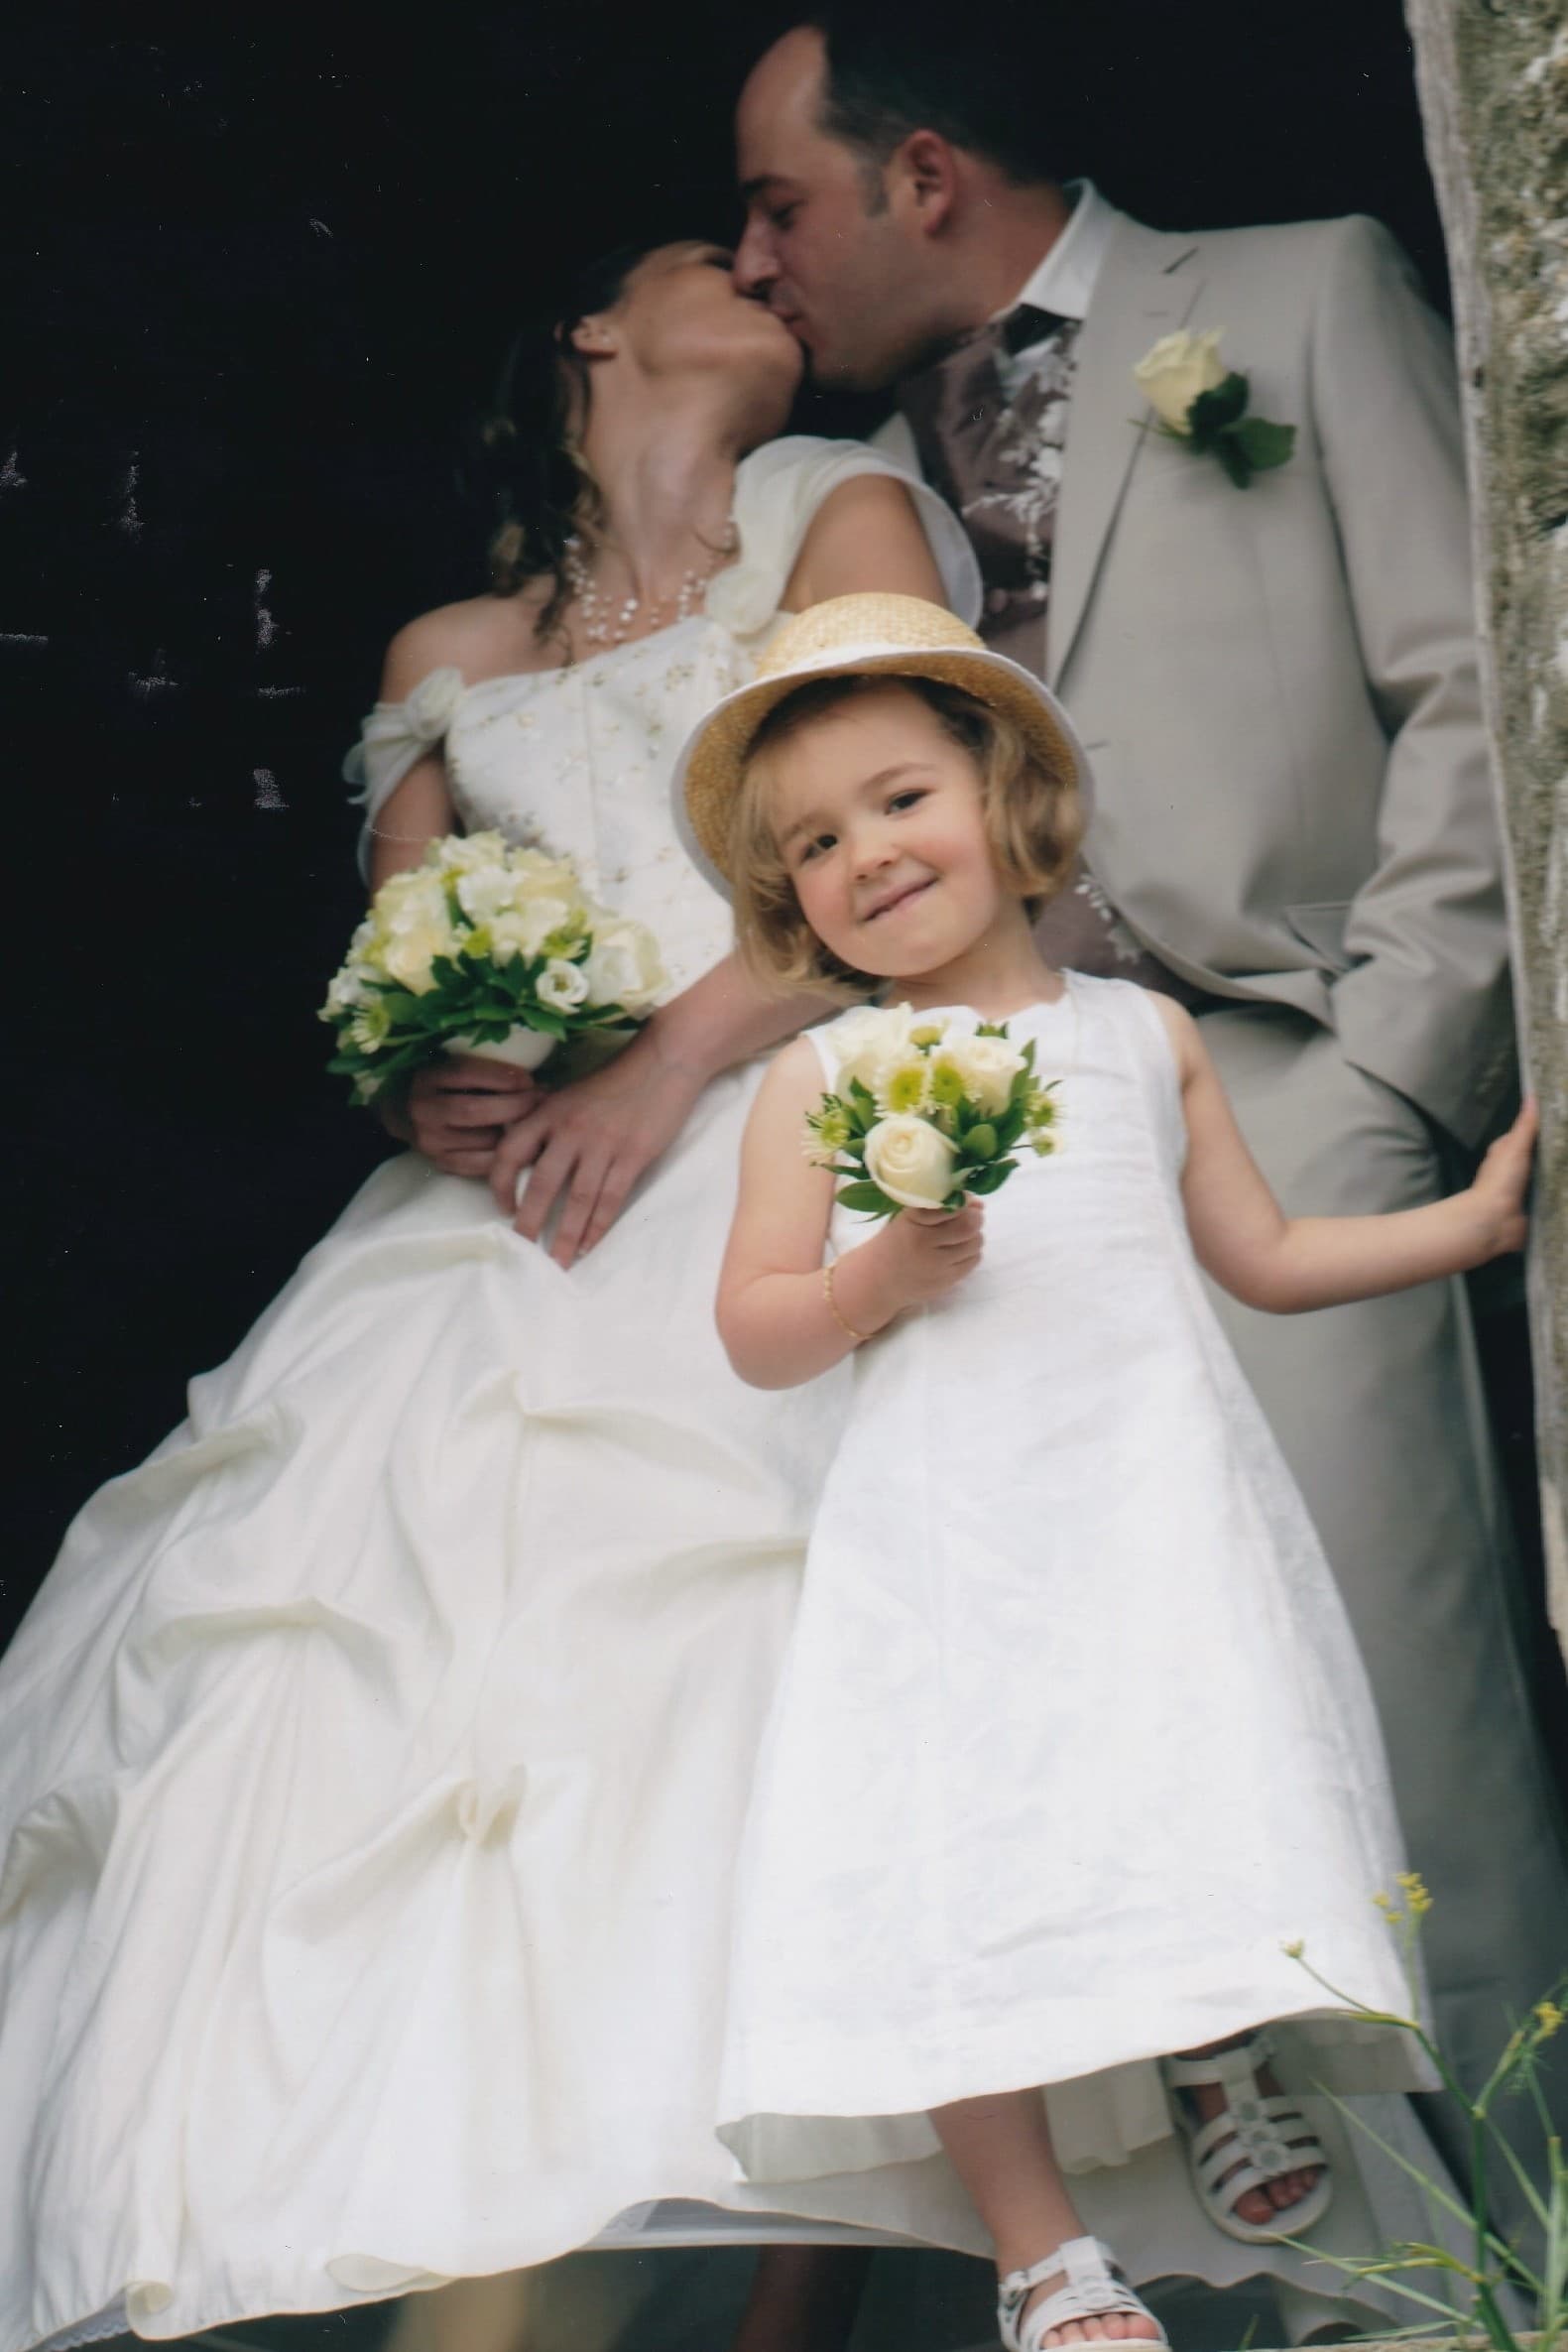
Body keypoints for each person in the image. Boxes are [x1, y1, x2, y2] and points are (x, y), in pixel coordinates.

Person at [0, 240, 985, 2352]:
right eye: (705, 257)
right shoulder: (448, 650)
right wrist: (434, 1072)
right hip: (502, 1235)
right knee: (377, 1736)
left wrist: (660, 1062)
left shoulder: (842, 506)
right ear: (591, 340)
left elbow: (915, 860)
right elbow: (395, 980)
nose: (764, 273)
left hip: (768, 1148)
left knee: (714, 1716)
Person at [729, 12, 1568, 2217]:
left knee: (1377, 1705)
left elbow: (1465, 678)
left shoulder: (1288, 295)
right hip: (975, 1161)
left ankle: (1520, 2252)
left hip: (1270, 1080)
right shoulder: (846, 493)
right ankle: (1258, 2274)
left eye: (778, 205)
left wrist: (1392, 1070)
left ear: (920, 177)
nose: (749, 261)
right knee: (1069, 1734)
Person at [670, 590, 1537, 2352]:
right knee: (960, 1856)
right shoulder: (828, 1076)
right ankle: (1041, 2251)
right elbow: (754, 1325)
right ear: (789, 902)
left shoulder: (1142, 1040)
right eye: (817, 846)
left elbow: (1266, 1256)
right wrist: (875, 1276)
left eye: (899, 799)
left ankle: (1216, 2055)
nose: (867, 856)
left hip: (1149, 1504)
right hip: (950, 1534)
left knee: (1183, 1778)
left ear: (1005, 796)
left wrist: (1474, 1219)